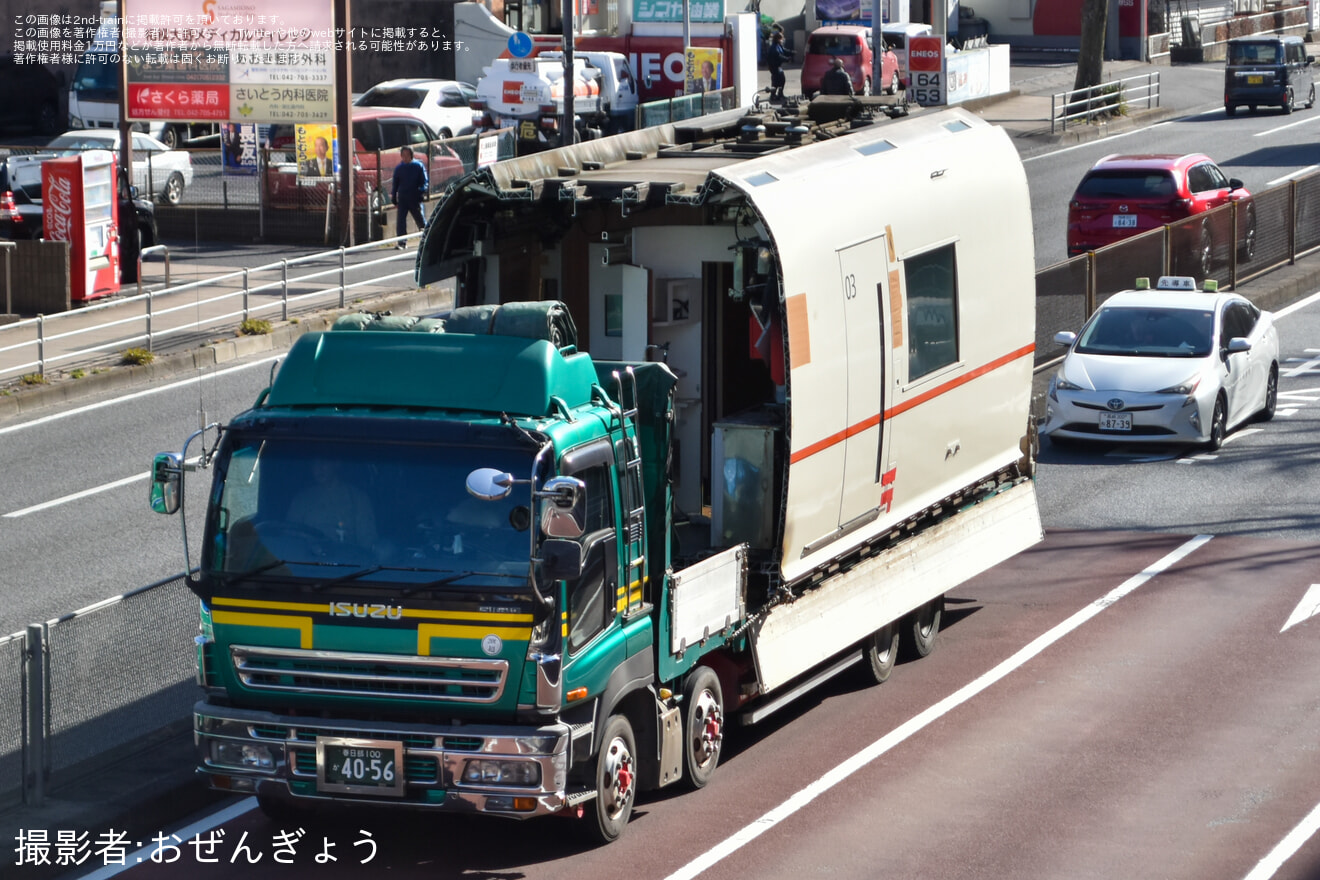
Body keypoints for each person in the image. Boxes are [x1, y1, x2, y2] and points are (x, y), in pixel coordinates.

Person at [286, 458, 377, 546]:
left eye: (324, 461)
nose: (319, 468)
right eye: (315, 463)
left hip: (346, 559)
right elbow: (290, 538)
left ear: (336, 463)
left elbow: (367, 542)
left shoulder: (357, 498)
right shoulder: (301, 499)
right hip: (307, 558)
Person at [391, 145, 429, 248]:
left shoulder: (418, 166)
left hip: (414, 197)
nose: (405, 157)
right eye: (403, 155)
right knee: (401, 221)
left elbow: (424, 182)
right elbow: (395, 184)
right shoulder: (399, 168)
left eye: (407, 155)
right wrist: (394, 196)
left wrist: (421, 191)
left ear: (411, 155)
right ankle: (401, 243)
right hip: (403, 198)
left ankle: (427, 239)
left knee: (420, 219)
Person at [767, 31, 793, 102]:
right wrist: (787, 59)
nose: (782, 40)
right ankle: (773, 95)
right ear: (778, 39)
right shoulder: (774, 47)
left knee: (782, 79)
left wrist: (791, 52)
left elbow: (784, 51)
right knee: (776, 81)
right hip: (774, 66)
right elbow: (778, 56)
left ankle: (780, 94)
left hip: (778, 66)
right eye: (781, 38)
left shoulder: (779, 45)